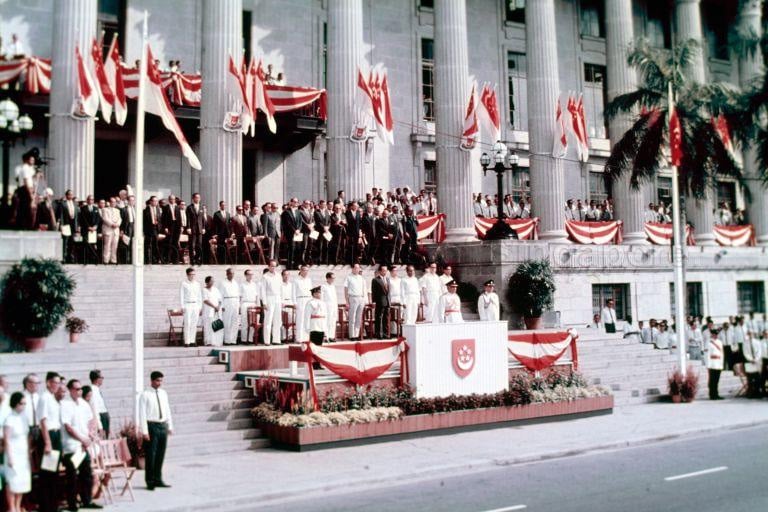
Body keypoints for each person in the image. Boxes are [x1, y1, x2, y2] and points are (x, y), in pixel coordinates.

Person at [61, 379, 102, 510]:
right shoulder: (65, 405)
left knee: (86, 474)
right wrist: (82, 439)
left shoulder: (84, 404)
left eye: (80, 389)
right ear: (70, 390)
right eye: (77, 389)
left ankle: (87, 500)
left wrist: (90, 434)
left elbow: (91, 420)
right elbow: (68, 427)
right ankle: (72, 504)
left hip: (83, 447)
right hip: (71, 447)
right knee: (72, 476)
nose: (80, 391)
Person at [138, 371, 173, 491]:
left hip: (162, 425)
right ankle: (150, 481)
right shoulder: (145, 394)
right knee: (151, 455)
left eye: (161, 380)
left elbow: (167, 409)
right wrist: (145, 431)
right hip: (151, 426)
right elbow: (142, 414)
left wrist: (170, 426)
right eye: (158, 380)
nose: (160, 383)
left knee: (160, 454)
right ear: (152, 380)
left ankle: (158, 479)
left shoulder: (163, 393)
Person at [36, 372, 63, 512]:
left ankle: (53, 505)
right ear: (48, 383)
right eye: (55, 382)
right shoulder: (44, 398)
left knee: (53, 473)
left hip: (56, 435)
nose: (57, 385)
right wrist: (47, 442)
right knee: (47, 473)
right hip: (49, 436)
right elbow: (43, 421)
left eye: (59, 383)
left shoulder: (52, 398)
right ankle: (46, 507)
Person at [4, 392, 31, 512]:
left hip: (23, 454)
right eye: (21, 403)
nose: (23, 406)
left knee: (22, 481)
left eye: (25, 404)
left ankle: (18, 505)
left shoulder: (24, 418)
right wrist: (10, 456)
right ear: (15, 403)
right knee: (12, 481)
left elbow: (27, 437)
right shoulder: (9, 419)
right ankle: (11, 507)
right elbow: (7, 440)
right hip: (13, 453)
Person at [260, 260, 282, 345]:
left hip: (277, 298)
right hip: (269, 298)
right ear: (268, 266)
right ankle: (267, 341)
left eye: (274, 266)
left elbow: (281, 289)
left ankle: (276, 340)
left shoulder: (279, 276)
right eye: (271, 266)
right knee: (268, 320)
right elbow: (263, 291)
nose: (273, 267)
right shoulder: (265, 276)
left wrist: (281, 300)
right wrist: (264, 303)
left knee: (277, 320)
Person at [304, 286, 328, 362]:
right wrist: (307, 327)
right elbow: (307, 316)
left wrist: (325, 328)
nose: (319, 294)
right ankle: (313, 362)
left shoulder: (323, 303)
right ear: (314, 294)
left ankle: (318, 362)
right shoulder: (310, 303)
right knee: (314, 345)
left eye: (320, 293)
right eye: (318, 293)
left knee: (319, 345)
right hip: (314, 325)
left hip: (321, 325)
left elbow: (325, 316)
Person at [344, 263, 368, 340]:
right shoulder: (348, 277)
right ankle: (352, 335)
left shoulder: (361, 278)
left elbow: (364, 290)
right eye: (356, 268)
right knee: (352, 317)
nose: (357, 270)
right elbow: (346, 290)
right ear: (353, 269)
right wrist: (347, 301)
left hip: (361, 298)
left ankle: (356, 334)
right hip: (352, 298)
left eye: (358, 268)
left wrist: (364, 300)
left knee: (358, 318)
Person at [180, 267, 203, 346]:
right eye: (191, 274)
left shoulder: (197, 284)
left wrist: (200, 307)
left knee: (194, 323)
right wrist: (182, 306)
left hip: (195, 305)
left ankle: (193, 341)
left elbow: (199, 296)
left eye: (194, 274)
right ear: (187, 275)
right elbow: (181, 295)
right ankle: (187, 341)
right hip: (187, 304)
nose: (192, 276)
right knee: (187, 323)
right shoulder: (184, 284)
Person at [219, 268, 240, 345]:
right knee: (227, 322)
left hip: (235, 302)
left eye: (233, 273)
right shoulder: (223, 283)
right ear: (227, 274)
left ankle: (233, 340)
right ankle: (227, 340)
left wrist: (238, 305)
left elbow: (238, 294)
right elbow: (220, 295)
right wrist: (222, 306)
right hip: (227, 302)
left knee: (235, 322)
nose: (232, 275)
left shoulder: (235, 283)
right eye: (230, 273)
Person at [292, 265, 313, 342]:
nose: (306, 272)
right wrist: (294, 302)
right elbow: (293, 292)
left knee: (307, 320)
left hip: (308, 299)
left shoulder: (309, 280)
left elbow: (311, 291)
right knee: (300, 320)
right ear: (300, 270)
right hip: (300, 300)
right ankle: (299, 338)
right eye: (304, 270)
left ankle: (306, 338)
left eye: (307, 270)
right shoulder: (296, 280)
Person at [239, 269, 260, 344]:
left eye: (251, 274)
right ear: (245, 275)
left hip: (253, 304)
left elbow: (257, 296)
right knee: (245, 322)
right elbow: (240, 296)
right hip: (245, 304)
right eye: (249, 274)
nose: (250, 276)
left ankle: (250, 339)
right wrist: (240, 306)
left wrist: (257, 305)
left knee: (253, 322)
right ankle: (244, 339)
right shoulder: (242, 284)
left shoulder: (254, 284)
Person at [202, 276, 223, 346]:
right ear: (207, 282)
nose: (212, 282)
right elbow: (205, 300)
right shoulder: (204, 290)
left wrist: (218, 307)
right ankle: (208, 341)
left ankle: (216, 341)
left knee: (217, 325)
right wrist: (214, 306)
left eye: (213, 281)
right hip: (208, 310)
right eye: (211, 281)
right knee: (208, 326)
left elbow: (220, 300)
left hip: (216, 310)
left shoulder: (216, 289)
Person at [371, 265, 391, 339]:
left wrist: (390, 300)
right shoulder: (375, 280)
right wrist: (374, 301)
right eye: (383, 270)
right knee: (379, 318)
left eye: (386, 270)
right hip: (380, 301)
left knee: (386, 318)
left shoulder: (388, 279)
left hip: (387, 301)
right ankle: (378, 333)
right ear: (380, 271)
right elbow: (374, 292)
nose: (385, 272)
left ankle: (386, 334)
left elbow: (389, 291)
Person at [88, 370, 109, 438]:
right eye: (102, 377)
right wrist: (100, 426)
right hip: (101, 418)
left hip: (104, 418)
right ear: (97, 379)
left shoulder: (97, 389)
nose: (102, 379)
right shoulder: (93, 391)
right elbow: (95, 409)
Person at [706, 328, 724, 400]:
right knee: (712, 380)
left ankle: (716, 394)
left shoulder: (719, 342)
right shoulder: (709, 343)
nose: (715, 335)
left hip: (718, 363)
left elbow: (722, 354)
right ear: (712, 334)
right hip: (712, 363)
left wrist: (721, 364)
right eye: (714, 334)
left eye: (716, 334)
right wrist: (708, 365)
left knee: (717, 380)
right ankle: (712, 394)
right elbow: (707, 354)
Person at [321, 272, 339, 342]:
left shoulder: (333, 286)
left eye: (334, 278)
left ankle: (331, 336)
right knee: (327, 321)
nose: (333, 280)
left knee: (333, 321)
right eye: (332, 278)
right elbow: (322, 298)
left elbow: (335, 297)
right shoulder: (323, 286)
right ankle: (326, 336)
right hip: (327, 306)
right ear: (328, 278)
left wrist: (336, 306)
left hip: (333, 306)